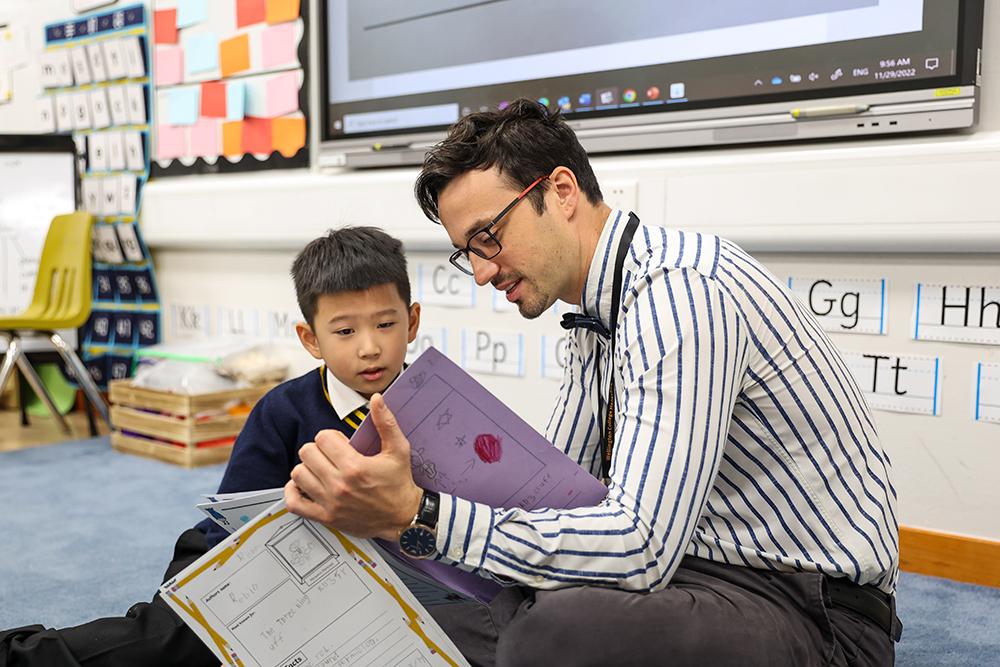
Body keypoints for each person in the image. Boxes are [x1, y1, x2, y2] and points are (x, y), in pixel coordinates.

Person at [285, 100, 902, 667]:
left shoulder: (681, 295)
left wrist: (420, 514)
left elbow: (641, 550)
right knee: (419, 624)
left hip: (813, 612)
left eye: (487, 237)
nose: (479, 271)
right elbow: (558, 494)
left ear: (560, 190)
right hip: (693, 576)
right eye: (465, 251)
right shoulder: (595, 317)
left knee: (550, 634)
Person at [0, 226, 422, 666]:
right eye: (345, 331)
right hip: (246, 558)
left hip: (370, 576)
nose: (370, 347)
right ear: (310, 339)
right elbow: (231, 520)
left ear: (411, 322)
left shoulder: (438, 404)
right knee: (173, 642)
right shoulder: (282, 410)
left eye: (386, 324)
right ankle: (20, 655)